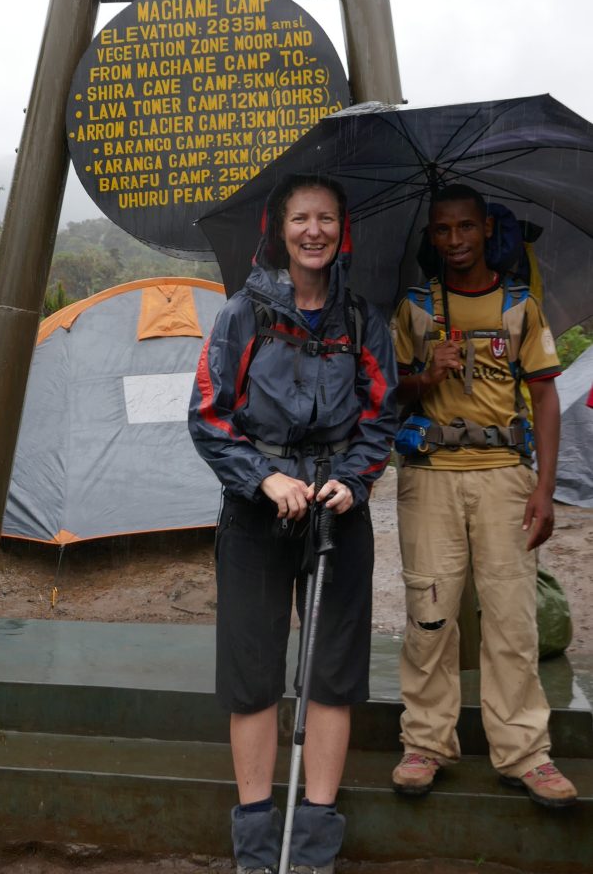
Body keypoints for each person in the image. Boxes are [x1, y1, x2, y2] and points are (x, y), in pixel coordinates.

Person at [189, 174, 397, 873]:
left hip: (337, 513)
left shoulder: (362, 320)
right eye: (301, 218)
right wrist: (262, 477)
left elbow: (381, 416)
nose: (315, 231)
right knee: (252, 674)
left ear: (343, 230)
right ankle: (254, 845)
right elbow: (209, 416)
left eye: (327, 219)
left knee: (331, 674)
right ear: (280, 229)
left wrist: (354, 478)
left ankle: (311, 847)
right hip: (256, 514)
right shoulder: (241, 315)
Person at [389, 183, 578, 808]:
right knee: (430, 614)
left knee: (511, 617)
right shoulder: (416, 307)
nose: (454, 241)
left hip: (504, 477)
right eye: (442, 230)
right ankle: (426, 743)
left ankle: (525, 752)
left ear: (486, 229)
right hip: (430, 476)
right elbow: (386, 395)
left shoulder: (520, 304)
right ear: (431, 237)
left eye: (465, 228)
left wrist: (545, 489)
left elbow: (546, 396)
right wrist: (425, 374)